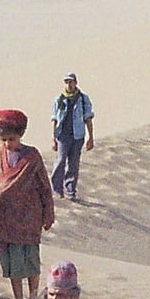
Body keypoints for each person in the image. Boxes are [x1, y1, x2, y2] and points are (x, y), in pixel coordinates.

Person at [0, 109, 54, 299]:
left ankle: (32, 298)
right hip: (6, 218)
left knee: (30, 260)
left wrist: (48, 213)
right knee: (12, 262)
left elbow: (44, 187)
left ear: (20, 135)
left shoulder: (32, 156)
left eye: (11, 139)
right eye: (3, 140)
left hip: (29, 217)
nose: (7, 143)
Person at [50, 73, 96, 202]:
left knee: (73, 164)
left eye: (71, 82)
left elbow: (88, 118)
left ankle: (70, 191)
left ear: (76, 82)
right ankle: (56, 189)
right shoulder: (59, 99)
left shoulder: (83, 99)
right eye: (66, 82)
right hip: (62, 135)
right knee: (60, 161)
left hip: (77, 136)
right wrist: (53, 138)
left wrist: (91, 137)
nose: (69, 85)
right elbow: (54, 119)